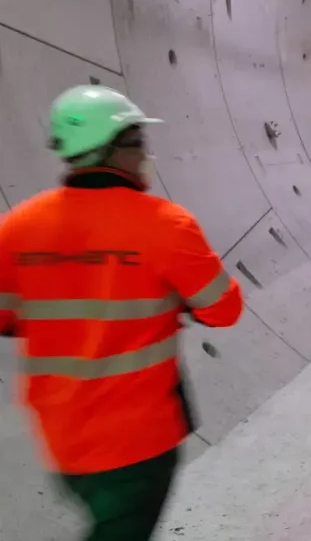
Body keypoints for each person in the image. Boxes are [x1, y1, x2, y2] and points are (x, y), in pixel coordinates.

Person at [0, 85, 244, 541]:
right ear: (115, 150)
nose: (144, 155)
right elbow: (223, 309)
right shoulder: (165, 225)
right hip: (138, 439)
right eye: (138, 144)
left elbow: (6, 318)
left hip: (62, 438)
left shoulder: (18, 226)